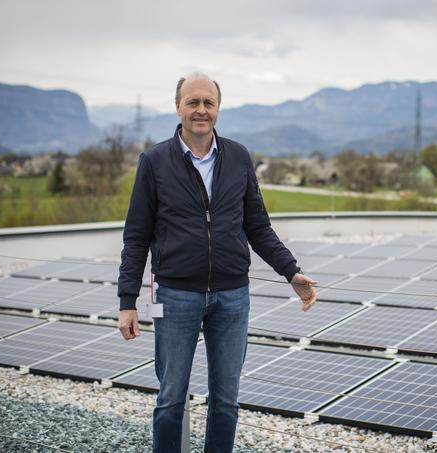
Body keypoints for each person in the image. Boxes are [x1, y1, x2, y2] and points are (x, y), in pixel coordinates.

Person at [117, 73, 317, 453]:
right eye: (193, 102)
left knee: (226, 400)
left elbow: (257, 227)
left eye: (208, 103)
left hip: (232, 297)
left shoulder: (239, 157)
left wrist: (291, 271)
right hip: (176, 296)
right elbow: (136, 237)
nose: (201, 110)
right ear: (178, 107)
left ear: (218, 108)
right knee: (171, 397)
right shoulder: (155, 161)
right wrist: (127, 302)